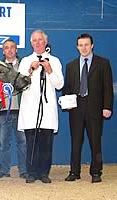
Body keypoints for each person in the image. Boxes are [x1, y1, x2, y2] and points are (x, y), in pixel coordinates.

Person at [63, 33, 113, 183]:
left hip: (96, 109)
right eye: (80, 45)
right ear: (77, 47)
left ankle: (96, 172)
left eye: (86, 45)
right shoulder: (70, 66)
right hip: (76, 110)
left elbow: (108, 88)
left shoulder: (103, 63)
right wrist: (66, 101)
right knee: (75, 141)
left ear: (92, 45)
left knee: (95, 141)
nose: (83, 48)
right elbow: (67, 89)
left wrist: (107, 107)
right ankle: (74, 171)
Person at [18, 30, 64, 183]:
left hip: (47, 108)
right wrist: (30, 70)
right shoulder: (25, 61)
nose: (38, 43)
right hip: (30, 108)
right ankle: (31, 172)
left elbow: (60, 85)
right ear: (31, 43)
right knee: (31, 142)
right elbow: (19, 84)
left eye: (40, 40)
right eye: (35, 40)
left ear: (45, 42)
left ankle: (44, 172)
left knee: (46, 143)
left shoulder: (55, 61)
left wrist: (50, 70)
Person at [0, 39, 27, 179]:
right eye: (6, 48)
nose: (10, 50)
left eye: (12, 47)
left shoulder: (24, 65)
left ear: (16, 50)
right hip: (3, 110)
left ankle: (24, 170)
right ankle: (4, 170)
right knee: (3, 143)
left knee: (23, 142)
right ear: (3, 51)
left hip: (21, 110)